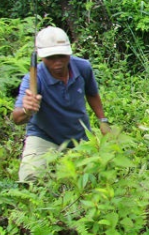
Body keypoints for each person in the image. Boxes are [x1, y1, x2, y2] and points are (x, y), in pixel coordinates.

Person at [11, 26, 110, 182]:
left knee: (92, 180)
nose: (58, 61)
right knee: (29, 179)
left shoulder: (83, 67)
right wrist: (27, 109)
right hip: (44, 136)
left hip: (78, 137)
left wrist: (102, 121)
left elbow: (92, 94)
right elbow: (16, 118)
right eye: (51, 57)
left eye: (62, 55)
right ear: (41, 57)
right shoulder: (34, 79)